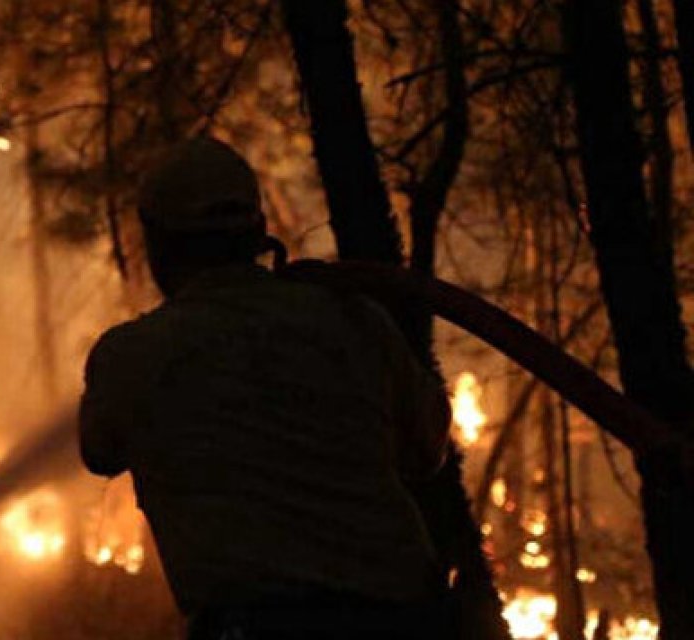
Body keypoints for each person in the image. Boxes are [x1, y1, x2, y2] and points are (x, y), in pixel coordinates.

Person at [78, 137, 451, 639]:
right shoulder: (353, 320)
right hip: (404, 621)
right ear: (257, 231)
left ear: (157, 246)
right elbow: (428, 449)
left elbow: (99, 450)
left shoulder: (132, 357)